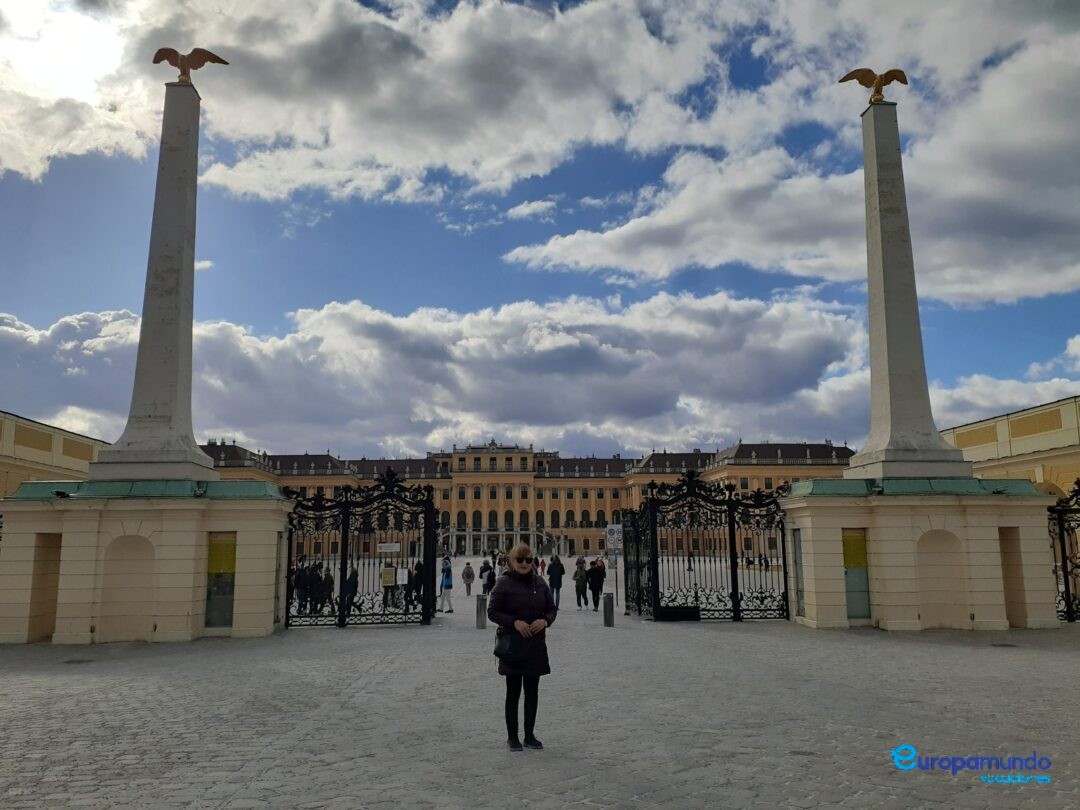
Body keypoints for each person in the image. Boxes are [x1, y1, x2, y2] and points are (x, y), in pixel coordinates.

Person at [487, 543, 557, 752]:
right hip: (513, 645)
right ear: (512, 561)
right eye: (520, 560)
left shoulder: (540, 583)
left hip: (535, 645)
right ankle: (512, 737)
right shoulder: (503, 583)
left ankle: (529, 735)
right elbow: (492, 611)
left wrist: (545, 621)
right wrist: (514, 622)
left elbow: (552, 609)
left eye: (528, 560)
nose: (525, 563)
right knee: (513, 692)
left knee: (532, 692)